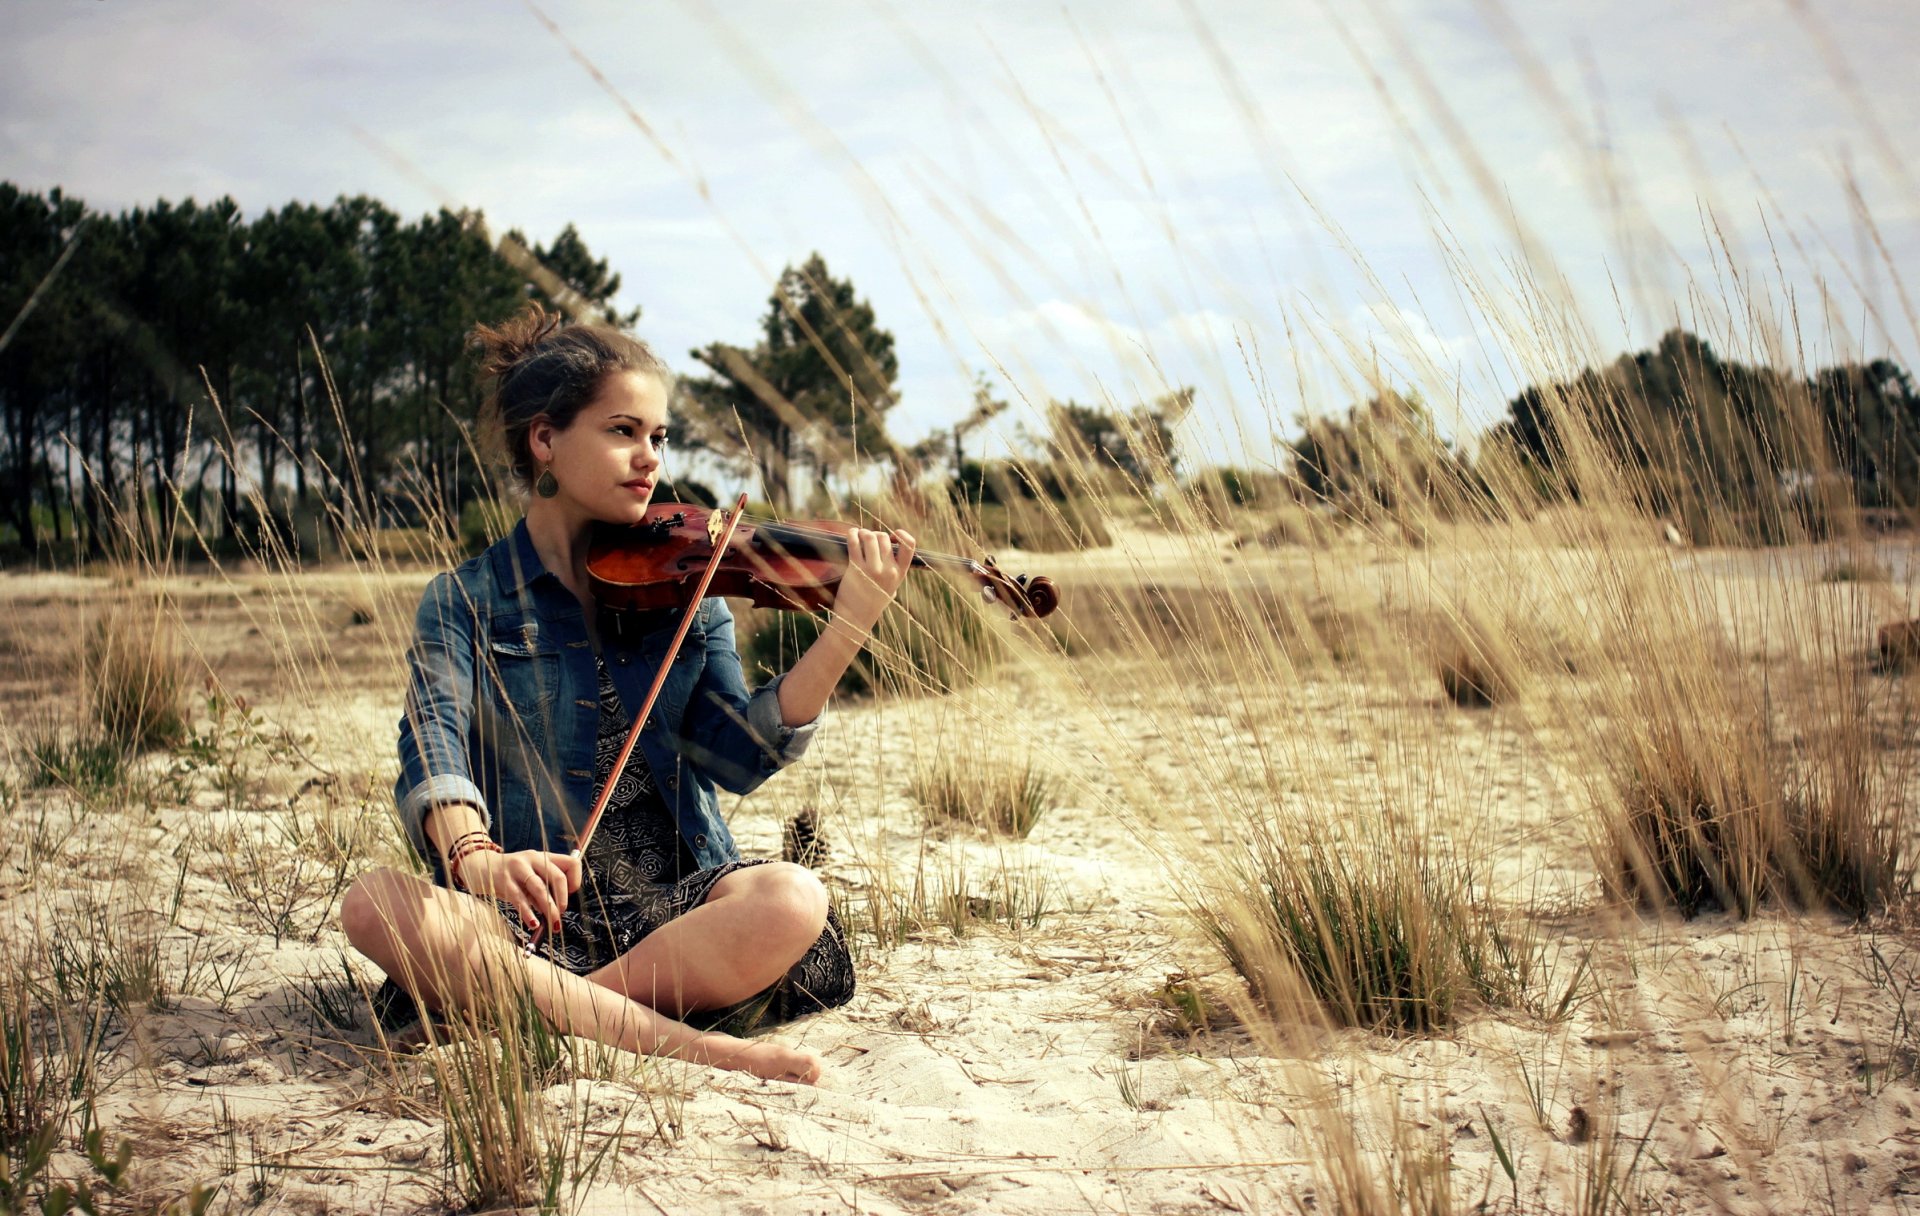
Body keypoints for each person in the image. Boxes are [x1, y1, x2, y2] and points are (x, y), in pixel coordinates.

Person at [340, 303, 915, 1085]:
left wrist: (843, 632)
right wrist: (476, 860)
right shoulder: (466, 599)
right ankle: (701, 1045)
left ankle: (542, 1011)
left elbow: (734, 757)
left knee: (791, 896)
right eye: (623, 431)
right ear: (545, 439)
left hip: (675, 906)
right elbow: (431, 740)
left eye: (659, 437)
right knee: (373, 903)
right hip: (528, 912)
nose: (649, 458)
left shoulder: (694, 584)